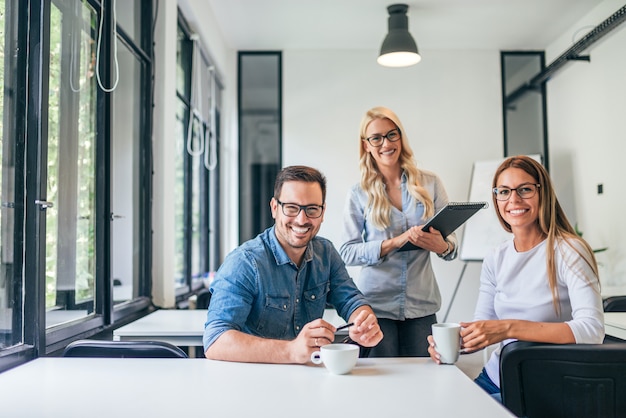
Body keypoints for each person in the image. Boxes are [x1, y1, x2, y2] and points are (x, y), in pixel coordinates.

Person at [427, 155, 604, 401]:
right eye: (504, 191)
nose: (514, 199)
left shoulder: (568, 250)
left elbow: (591, 330)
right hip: (497, 376)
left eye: (525, 189)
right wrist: (454, 343)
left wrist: (508, 328)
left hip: (549, 384)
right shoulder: (495, 258)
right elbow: (484, 325)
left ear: (543, 193)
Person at [203, 165, 383, 363]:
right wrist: (291, 350)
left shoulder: (326, 253)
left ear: (322, 213)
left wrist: (364, 320)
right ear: (274, 208)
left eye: (312, 209)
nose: (301, 219)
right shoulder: (244, 262)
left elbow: (351, 300)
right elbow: (215, 341)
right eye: (291, 208)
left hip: (308, 378)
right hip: (253, 382)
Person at [340, 106, 458, 357]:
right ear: (366, 145)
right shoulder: (357, 193)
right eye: (376, 138)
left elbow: (452, 245)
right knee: (381, 382)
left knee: (423, 380)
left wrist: (443, 246)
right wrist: (394, 243)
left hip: (421, 305)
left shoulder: (430, 183)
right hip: (376, 306)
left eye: (392, 135)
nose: (386, 143)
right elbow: (347, 253)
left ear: (401, 137)